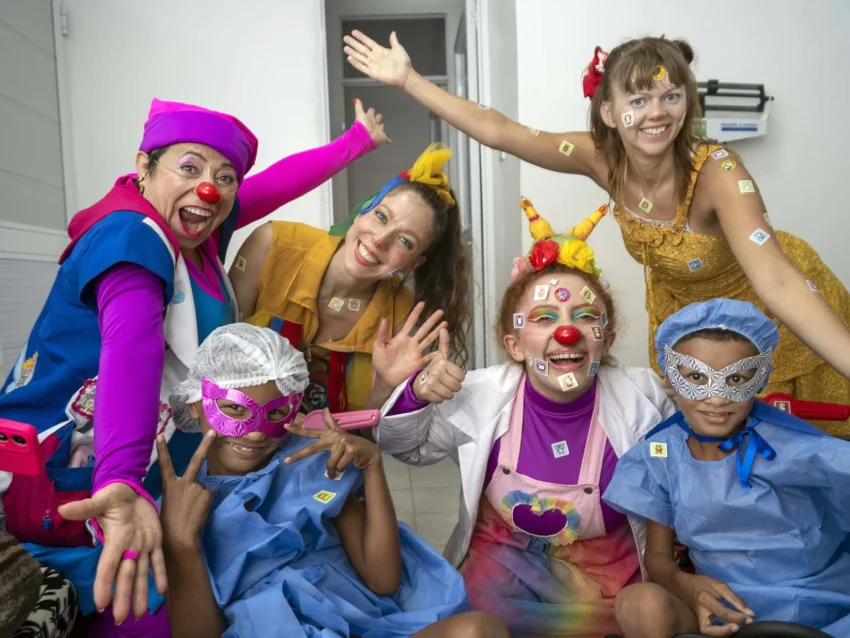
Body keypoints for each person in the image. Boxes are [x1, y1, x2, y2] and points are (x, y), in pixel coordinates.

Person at [342, 30, 850, 435]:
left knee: (788, 439)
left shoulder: (718, 170)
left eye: (671, 96)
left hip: (771, 313)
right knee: (707, 443)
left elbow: (778, 281)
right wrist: (409, 80)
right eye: (639, 98)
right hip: (688, 317)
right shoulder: (601, 159)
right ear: (608, 111)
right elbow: (501, 130)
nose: (657, 112)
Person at [0, 96, 389, 625]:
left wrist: (355, 143)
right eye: (189, 167)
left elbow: (272, 185)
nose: (209, 187)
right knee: (140, 613)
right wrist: (119, 478)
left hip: (142, 467)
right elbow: (130, 353)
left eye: (225, 176)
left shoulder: (200, 231)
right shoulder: (131, 236)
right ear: (144, 167)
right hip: (81, 473)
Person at [373, 198, 677, 636]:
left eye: (585, 317)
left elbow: (689, 472)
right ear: (515, 345)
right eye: (544, 318)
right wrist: (414, 396)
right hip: (500, 572)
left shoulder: (645, 395)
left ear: (605, 339)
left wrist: (695, 398)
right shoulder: (480, 393)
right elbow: (405, 448)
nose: (566, 332)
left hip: (608, 579)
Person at [157, 323, 510, 638]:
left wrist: (372, 467)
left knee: (480, 630)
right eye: (234, 409)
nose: (252, 435)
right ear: (193, 405)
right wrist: (180, 544)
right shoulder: (182, 509)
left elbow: (383, 579)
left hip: (362, 625)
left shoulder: (310, 466)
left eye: (277, 413)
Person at [603, 298, 850, 638]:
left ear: (759, 378)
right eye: (696, 378)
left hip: (821, 605)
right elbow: (658, 559)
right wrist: (691, 588)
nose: (717, 399)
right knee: (638, 602)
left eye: (736, 379)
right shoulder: (659, 455)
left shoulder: (796, 446)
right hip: (719, 609)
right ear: (670, 379)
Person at [231, 143, 471, 415]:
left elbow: (366, 435)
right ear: (362, 211)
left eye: (405, 241)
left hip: (327, 455)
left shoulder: (402, 318)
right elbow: (213, 358)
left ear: (413, 264)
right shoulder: (271, 246)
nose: (380, 240)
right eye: (381, 216)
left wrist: (385, 385)